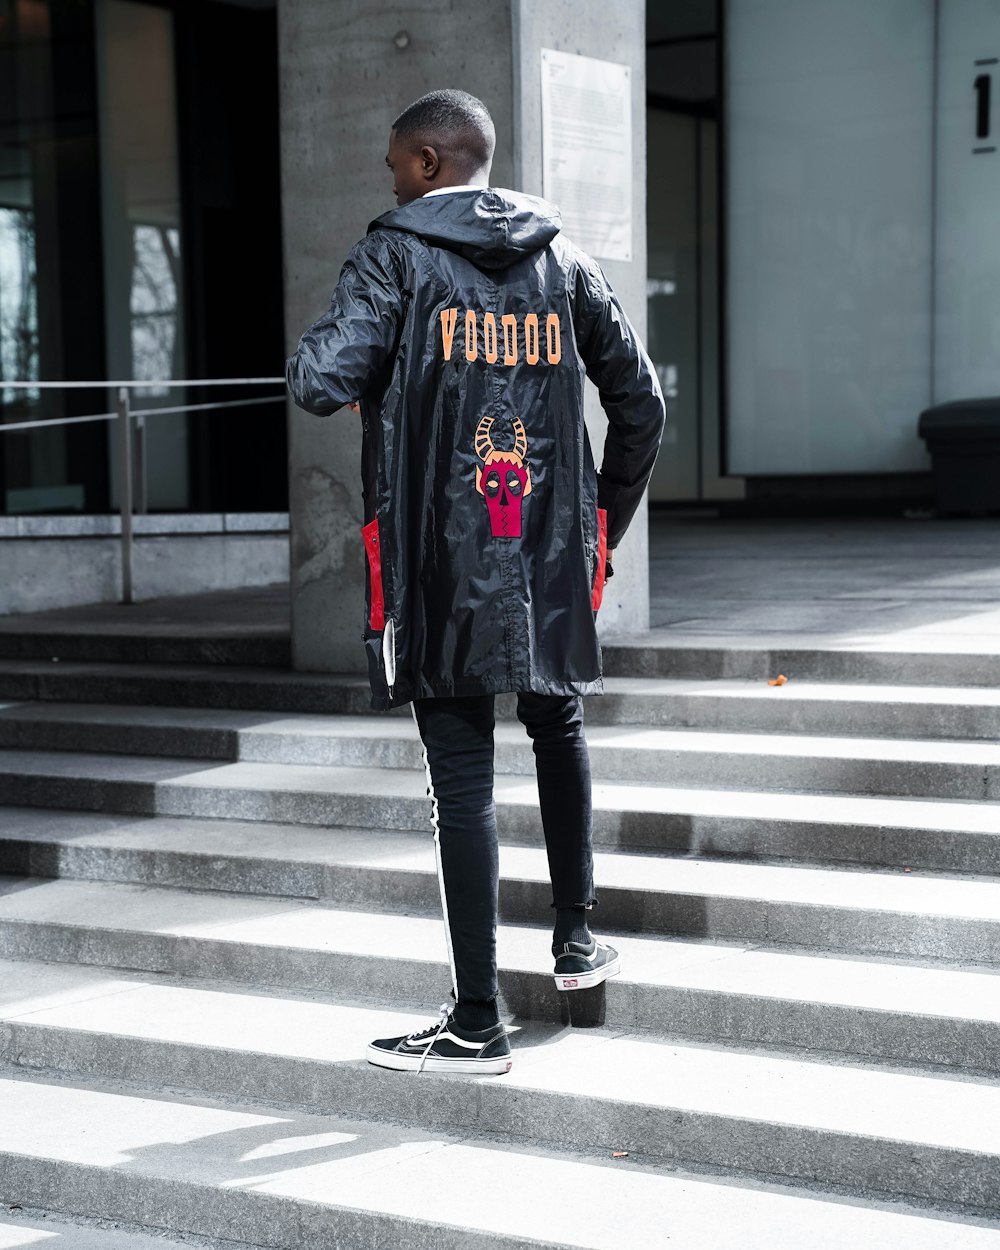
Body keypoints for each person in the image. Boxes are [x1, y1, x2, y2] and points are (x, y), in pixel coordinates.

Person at [286, 89, 665, 1075]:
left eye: (390, 162)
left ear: (422, 162)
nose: (387, 178)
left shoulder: (393, 252)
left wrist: (333, 349)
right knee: (558, 723)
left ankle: (473, 1021)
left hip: (440, 556)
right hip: (545, 551)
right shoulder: (564, 258)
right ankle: (575, 945)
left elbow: (323, 376)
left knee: (461, 776)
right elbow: (641, 403)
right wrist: (599, 530)